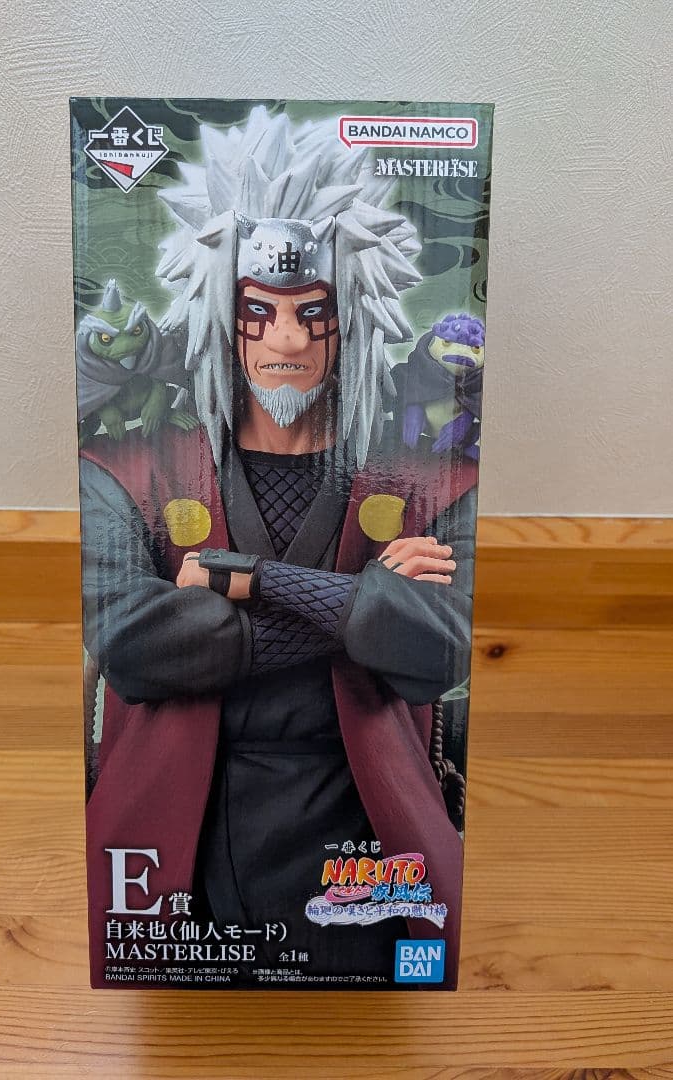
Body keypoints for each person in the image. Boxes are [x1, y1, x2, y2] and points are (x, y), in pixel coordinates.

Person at [78, 107, 478, 989]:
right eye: (259, 310)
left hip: (372, 826)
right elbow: (134, 647)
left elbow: (438, 649)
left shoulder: (433, 476)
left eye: (313, 311)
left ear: (353, 312)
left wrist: (246, 580)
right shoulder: (127, 465)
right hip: (178, 825)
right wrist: (362, 604)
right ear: (219, 309)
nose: (288, 341)